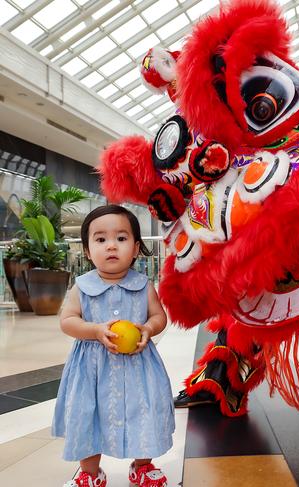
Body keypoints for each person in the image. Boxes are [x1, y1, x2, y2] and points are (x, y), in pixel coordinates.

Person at [52, 205, 174, 487]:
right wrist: (94, 330)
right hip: (91, 370)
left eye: (121, 238)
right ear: (86, 250)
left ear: (135, 248)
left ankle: (142, 466)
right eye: (100, 239)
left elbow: (159, 316)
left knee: (143, 410)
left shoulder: (144, 285)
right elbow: (67, 321)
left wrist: (148, 328)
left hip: (138, 367)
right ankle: (90, 472)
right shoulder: (81, 287)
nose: (111, 246)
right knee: (88, 413)